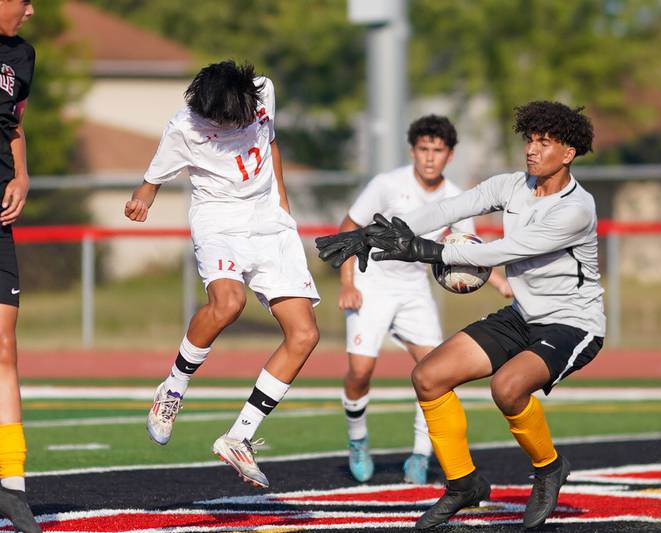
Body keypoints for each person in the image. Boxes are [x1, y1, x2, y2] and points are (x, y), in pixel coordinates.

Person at [317, 101, 604, 530]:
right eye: (529, 139)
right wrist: (372, 235)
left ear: (568, 154)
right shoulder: (511, 185)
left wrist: (428, 250)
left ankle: (548, 468)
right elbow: (448, 209)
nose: (531, 149)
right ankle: (463, 483)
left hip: (573, 323)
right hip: (523, 315)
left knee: (507, 388)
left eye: (545, 142)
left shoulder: (576, 208)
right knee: (428, 376)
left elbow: (504, 251)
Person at [125, 60, 320, 489]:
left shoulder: (263, 90)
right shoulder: (184, 128)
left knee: (304, 335)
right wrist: (143, 199)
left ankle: (239, 437)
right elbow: (151, 179)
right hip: (218, 220)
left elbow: (272, 143)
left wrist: (283, 203)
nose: (235, 125)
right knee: (229, 304)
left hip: (269, 220)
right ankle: (172, 390)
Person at [334, 115, 511, 485]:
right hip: (372, 284)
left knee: (433, 371)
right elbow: (349, 228)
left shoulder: (457, 198)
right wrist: (347, 282)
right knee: (360, 374)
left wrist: (499, 281)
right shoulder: (386, 184)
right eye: (424, 149)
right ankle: (357, 440)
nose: (430, 157)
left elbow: (470, 253)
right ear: (413, 151)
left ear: (450, 155)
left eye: (438, 150)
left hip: (415, 290)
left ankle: (419, 454)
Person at [0, 1, 40, 532]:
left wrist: (22, 176)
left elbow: (15, 125)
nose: (30, 10)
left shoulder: (21, 56)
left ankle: (12, 487)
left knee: (5, 345)